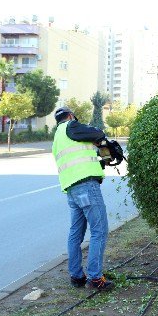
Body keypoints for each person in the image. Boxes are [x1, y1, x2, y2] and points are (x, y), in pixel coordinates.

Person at [52, 106, 113, 290]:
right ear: (70, 116)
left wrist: (99, 156)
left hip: (71, 190)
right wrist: (104, 147)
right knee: (99, 230)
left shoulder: (57, 138)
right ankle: (95, 278)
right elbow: (98, 132)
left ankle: (76, 276)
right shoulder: (71, 126)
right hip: (86, 186)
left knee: (75, 234)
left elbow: (81, 156)